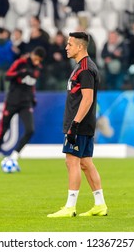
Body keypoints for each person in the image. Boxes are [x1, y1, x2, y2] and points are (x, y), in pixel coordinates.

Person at [47, 32, 108, 218]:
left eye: (70, 44)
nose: (66, 47)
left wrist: (74, 125)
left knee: (71, 161)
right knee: (85, 163)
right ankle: (100, 205)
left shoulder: (85, 68)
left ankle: (70, 207)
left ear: (80, 47)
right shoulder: (80, 67)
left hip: (79, 123)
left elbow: (87, 99)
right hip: (84, 123)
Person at [0, 46, 46, 173]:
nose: (37, 62)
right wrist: (19, 73)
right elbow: (6, 76)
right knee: (3, 130)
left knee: (30, 130)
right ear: (32, 55)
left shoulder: (38, 68)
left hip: (25, 103)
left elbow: (32, 84)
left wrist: (33, 97)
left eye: (39, 60)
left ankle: (13, 157)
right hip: (12, 102)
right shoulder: (20, 63)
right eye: (36, 59)